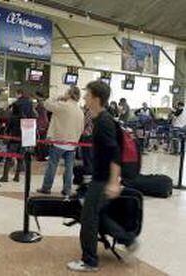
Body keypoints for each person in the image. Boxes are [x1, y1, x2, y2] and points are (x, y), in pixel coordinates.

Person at [67, 81, 137, 272]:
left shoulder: (103, 122)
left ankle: (89, 261)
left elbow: (114, 153)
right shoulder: (102, 119)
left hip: (104, 179)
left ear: (96, 98)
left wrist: (114, 182)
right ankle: (127, 239)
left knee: (88, 218)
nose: (84, 98)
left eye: (87, 95)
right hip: (102, 177)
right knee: (98, 213)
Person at [37, 86, 84, 197]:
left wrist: (59, 97)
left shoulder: (63, 106)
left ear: (69, 94)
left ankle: (46, 187)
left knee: (52, 165)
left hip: (59, 142)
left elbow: (47, 103)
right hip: (72, 144)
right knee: (69, 168)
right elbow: (81, 128)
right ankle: (67, 189)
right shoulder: (80, 111)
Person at [0, 103, 23, 182]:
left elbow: (8, 128)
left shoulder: (12, 118)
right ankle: (17, 176)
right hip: (22, 140)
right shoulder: (23, 117)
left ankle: (5, 177)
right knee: (19, 159)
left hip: (13, 140)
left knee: (8, 158)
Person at [81, 106, 94, 183]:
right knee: (92, 158)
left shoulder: (90, 112)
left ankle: (87, 180)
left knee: (87, 158)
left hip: (88, 137)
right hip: (95, 137)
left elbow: (83, 123)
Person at [35, 92, 49, 161]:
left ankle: (42, 156)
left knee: (41, 141)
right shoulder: (44, 103)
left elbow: (37, 114)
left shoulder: (40, 104)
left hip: (41, 124)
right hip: (44, 123)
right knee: (43, 141)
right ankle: (44, 155)